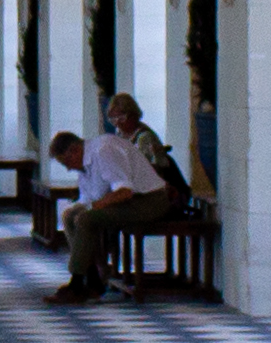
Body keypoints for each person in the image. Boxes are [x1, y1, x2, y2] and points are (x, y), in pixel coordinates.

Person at [45, 93, 183, 303]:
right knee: (70, 216)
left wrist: (94, 207)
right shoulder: (86, 161)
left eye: (66, 162)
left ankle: (77, 283)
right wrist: (79, 208)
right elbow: (88, 197)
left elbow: (124, 191)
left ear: (74, 150)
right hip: (131, 200)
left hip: (150, 201)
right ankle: (92, 281)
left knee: (86, 219)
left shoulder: (104, 151)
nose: (67, 168)